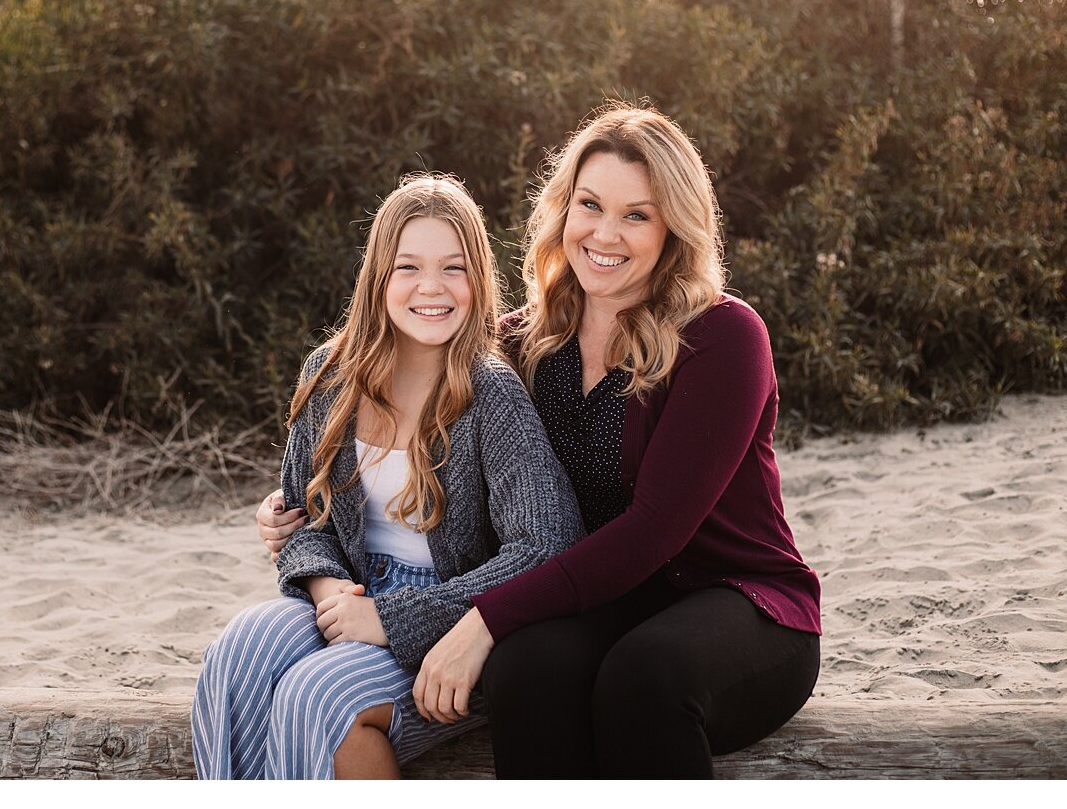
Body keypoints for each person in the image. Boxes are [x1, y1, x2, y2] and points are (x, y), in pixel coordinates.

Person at [257, 104, 821, 778]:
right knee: (526, 670)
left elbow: (651, 534)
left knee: (644, 677)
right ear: (564, 209)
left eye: (637, 214)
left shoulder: (723, 336)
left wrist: (484, 619)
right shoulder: (522, 341)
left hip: (739, 601)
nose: (605, 233)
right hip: (600, 602)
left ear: (674, 225)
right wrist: (294, 508)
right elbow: (417, 421)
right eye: (590, 204)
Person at [193, 172, 583, 780]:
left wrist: (392, 620)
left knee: (314, 696)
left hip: (449, 625)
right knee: (238, 651)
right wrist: (329, 594)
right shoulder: (329, 374)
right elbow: (303, 517)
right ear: (379, 277)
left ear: (479, 281)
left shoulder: (492, 394)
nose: (432, 288)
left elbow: (546, 546)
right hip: (345, 598)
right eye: (409, 267)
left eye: (454, 268)